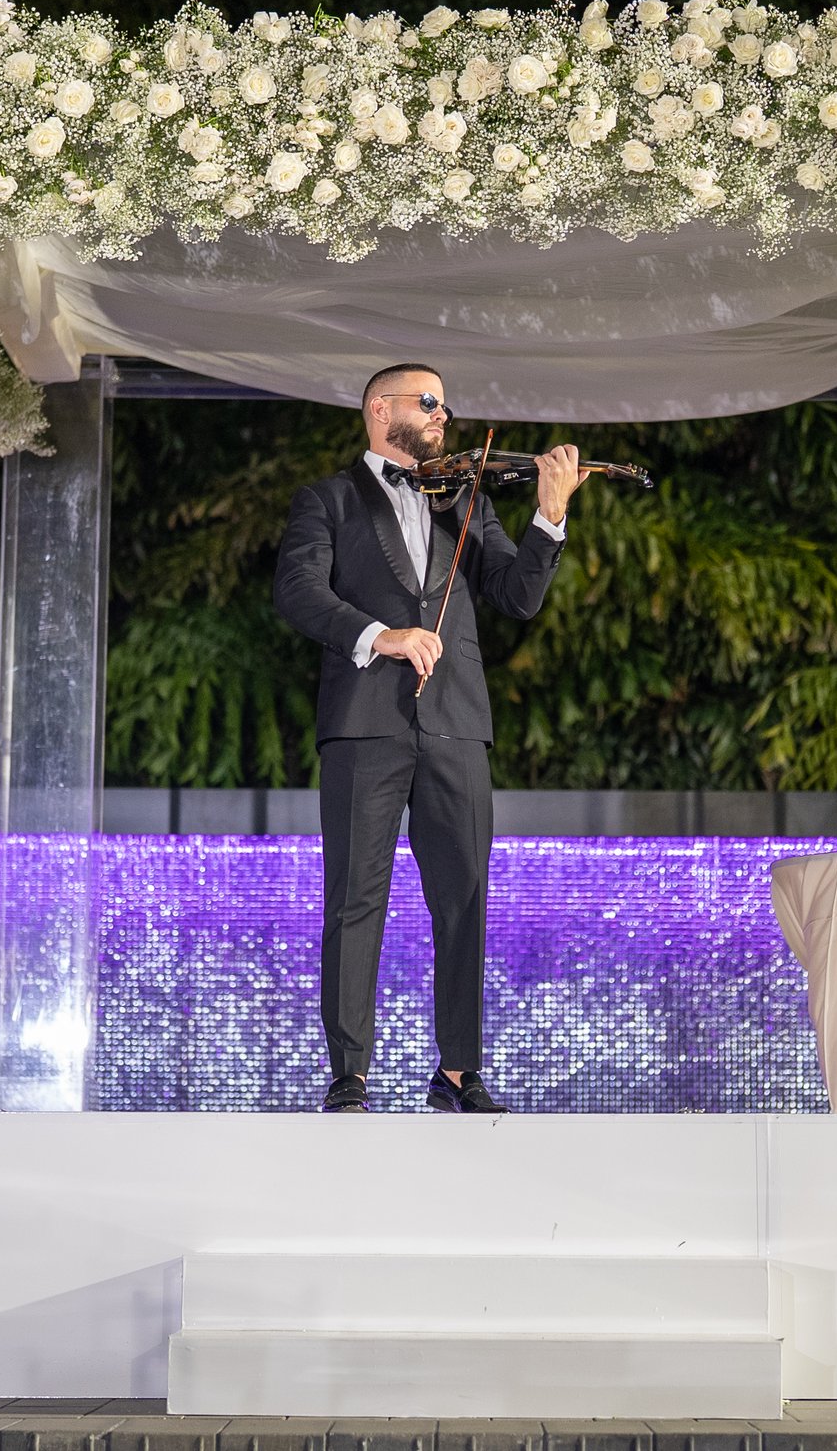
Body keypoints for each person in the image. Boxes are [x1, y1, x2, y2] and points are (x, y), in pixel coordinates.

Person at [271, 363, 590, 1114]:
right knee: (355, 896)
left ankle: (457, 1074)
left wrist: (550, 517)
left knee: (464, 897)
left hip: (457, 722)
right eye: (428, 402)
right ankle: (350, 1074)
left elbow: (516, 596)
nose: (443, 415)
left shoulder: (464, 499)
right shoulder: (328, 499)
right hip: (364, 723)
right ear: (380, 411)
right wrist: (380, 635)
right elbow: (299, 591)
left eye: (445, 405)